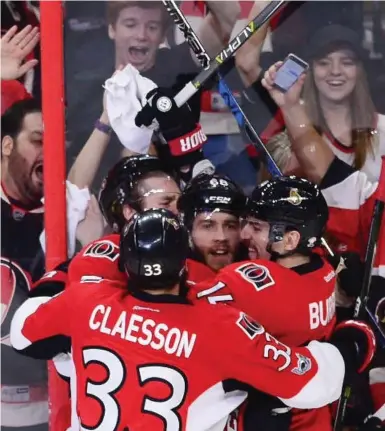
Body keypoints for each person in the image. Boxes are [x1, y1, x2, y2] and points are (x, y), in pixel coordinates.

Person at [10, 208, 376, 430]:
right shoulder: (218, 327)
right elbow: (313, 384)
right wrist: (356, 339)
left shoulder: (86, 302)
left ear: (126, 266)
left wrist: (64, 272)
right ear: (184, 268)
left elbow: (23, 333)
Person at [190, 176, 339, 430]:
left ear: (290, 241)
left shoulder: (252, 284)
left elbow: (179, 311)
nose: (244, 234)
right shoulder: (323, 272)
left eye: (257, 228)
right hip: (315, 417)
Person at [177, 171, 248, 273]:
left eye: (230, 226)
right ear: (188, 231)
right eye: (208, 226)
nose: (221, 237)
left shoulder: (258, 276)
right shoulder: (174, 283)